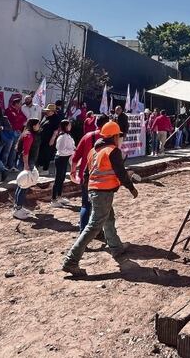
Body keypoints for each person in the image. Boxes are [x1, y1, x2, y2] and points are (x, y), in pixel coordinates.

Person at [62, 120, 139, 276]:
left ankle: (116, 247)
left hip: (95, 191)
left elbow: (86, 173)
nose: (120, 138)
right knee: (94, 226)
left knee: (109, 219)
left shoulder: (94, 151)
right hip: (103, 192)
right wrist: (131, 187)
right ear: (114, 136)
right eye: (119, 136)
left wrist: (89, 190)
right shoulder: (112, 151)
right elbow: (121, 173)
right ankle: (71, 260)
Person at [70, 114, 110, 229]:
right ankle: (99, 230)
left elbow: (75, 157)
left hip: (86, 175)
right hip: (103, 176)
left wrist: (73, 172)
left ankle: (83, 230)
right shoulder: (110, 138)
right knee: (101, 206)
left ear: (96, 123)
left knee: (86, 204)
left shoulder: (87, 136)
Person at [12, 119, 39, 220]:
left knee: (21, 185)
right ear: (33, 125)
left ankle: (17, 207)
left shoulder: (27, 133)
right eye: (38, 124)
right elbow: (25, 152)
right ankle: (18, 209)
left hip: (26, 162)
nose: (39, 126)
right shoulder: (29, 135)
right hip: (26, 163)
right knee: (24, 186)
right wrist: (26, 166)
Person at [51, 120, 75, 208]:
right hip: (60, 159)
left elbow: (72, 146)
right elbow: (61, 150)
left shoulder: (68, 136)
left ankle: (59, 196)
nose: (70, 126)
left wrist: (74, 150)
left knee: (62, 178)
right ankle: (53, 199)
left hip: (65, 159)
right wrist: (72, 151)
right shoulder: (62, 137)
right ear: (65, 126)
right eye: (69, 125)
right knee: (58, 179)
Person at [36, 103, 61, 175]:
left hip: (49, 139)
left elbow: (56, 130)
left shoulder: (56, 119)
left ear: (53, 111)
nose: (47, 112)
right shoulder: (47, 117)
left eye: (48, 111)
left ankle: (45, 169)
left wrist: (52, 139)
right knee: (41, 153)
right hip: (43, 138)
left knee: (47, 154)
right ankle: (40, 167)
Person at [4, 96, 26, 169]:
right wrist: (19, 119)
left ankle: (11, 165)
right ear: (16, 104)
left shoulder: (19, 111)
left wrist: (19, 119)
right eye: (20, 103)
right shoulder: (9, 110)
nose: (21, 105)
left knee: (14, 150)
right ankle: (3, 166)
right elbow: (14, 119)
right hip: (10, 132)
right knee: (7, 150)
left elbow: (24, 118)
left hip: (18, 132)